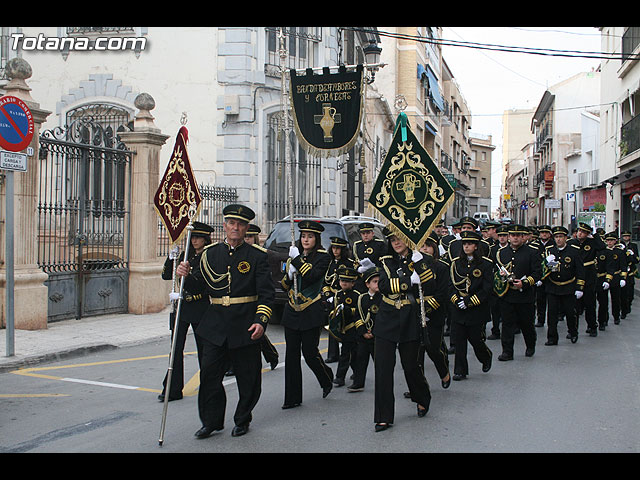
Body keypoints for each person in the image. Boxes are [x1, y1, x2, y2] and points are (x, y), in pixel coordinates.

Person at [175, 204, 274, 439]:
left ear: (246, 228)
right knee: (209, 375)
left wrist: (261, 321)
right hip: (216, 324)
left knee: (248, 378)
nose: (235, 228)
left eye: (240, 224)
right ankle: (211, 421)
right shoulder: (210, 253)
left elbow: (266, 294)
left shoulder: (257, 256)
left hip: (244, 324)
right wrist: (185, 276)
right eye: (231, 223)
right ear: (224, 226)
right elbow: (200, 286)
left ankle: (242, 418)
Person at [373, 227, 431, 432]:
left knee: (410, 365)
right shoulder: (386, 261)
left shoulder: (419, 258)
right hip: (387, 316)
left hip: (409, 317)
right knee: (383, 368)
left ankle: (422, 396)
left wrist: (420, 263)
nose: (396, 243)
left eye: (400, 239)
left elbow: (429, 280)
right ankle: (383, 416)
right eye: (393, 239)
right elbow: (384, 286)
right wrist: (408, 281)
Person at [280, 220, 334, 409]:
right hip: (292, 310)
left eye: (310, 236)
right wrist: (288, 275)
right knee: (291, 355)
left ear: (316, 238)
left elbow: (312, 277)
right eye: (303, 236)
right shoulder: (294, 255)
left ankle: (326, 378)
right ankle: (292, 398)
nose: (305, 239)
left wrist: (296, 261)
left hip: (311, 310)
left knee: (310, 352)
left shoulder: (323, 257)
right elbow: (284, 285)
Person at [158, 221, 213, 403]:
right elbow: (166, 275)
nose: (194, 240)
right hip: (182, 306)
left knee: (204, 350)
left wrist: (186, 275)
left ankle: (208, 387)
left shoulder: (209, 256)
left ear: (205, 239)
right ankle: (172, 389)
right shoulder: (185, 255)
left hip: (200, 306)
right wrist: (171, 257)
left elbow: (199, 284)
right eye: (192, 237)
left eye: (197, 237)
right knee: (175, 348)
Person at [448, 230, 493, 380]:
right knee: (459, 340)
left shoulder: (485, 264)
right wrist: (456, 300)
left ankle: (485, 356)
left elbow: (487, 288)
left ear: (476, 246)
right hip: (459, 308)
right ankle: (460, 370)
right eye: (464, 244)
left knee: (475, 339)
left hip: (476, 308)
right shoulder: (455, 264)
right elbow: (450, 285)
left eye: (470, 244)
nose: (466, 247)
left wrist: (469, 302)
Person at [495, 224, 542, 361]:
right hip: (508, 294)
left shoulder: (532, 252)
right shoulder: (502, 253)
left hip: (525, 295)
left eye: (518, 236)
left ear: (523, 237)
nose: (515, 238)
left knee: (526, 324)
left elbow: (537, 273)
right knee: (507, 325)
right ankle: (507, 352)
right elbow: (496, 273)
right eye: (512, 235)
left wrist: (525, 283)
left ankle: (530, 345)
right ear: (509, 237)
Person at [415, 231, 451, 388]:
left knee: (433, 348)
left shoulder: (441, 267)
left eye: (428, 246)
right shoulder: (413, 267)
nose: (425, 249)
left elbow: (442, 293)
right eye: (421, 246)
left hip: (434, 312)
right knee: (416, 353)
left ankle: (443, 371)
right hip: (415, 311)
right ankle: (418, 386)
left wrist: (427, 309)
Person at [243, 223, 279, 371]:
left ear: (256, 238)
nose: (247, 240)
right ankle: (271, 354)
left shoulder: (263, 254)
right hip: (242, 297)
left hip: (257, 298)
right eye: (245, 236)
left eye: (250, 237)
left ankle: (271, 354)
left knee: (254, 329)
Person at [542, 226, 585, 345]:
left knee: (570, 313)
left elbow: (580, 271)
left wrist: (579, 288)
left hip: (568, 286)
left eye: (561, 237)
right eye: (556, 237)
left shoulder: (573, 251)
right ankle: (552, 338)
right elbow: (543, 269)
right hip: (553, 286)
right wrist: (546, 263)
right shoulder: (550, 251)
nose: (558, 239)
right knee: (552, 314)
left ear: (566, 238)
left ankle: (573, 332)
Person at [568, 222, 607, 337]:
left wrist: (595, 235)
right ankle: (572, 330)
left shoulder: (592, 242)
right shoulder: (571, 243)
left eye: (584, 232)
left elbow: (602, 247)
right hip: (575, 276)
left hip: (588, 275)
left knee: (590, 303)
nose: (580, 234)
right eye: (580, 231)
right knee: (574, 306)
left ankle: (592, 326)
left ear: (588, 234)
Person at [322, 236, 356, 363]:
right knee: (333, 325)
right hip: (332, 297)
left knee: (347, 326)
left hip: (346, 297)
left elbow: (353, 282)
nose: (336, 251)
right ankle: (332, 354)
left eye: (338, 248)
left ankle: (348, 354)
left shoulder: (349, 263)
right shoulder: (329, 262)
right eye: (334, 248)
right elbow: (324, 282)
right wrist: (327, 295)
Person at [327, 266, 361, 388]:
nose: (344, 283)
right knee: (348, 354)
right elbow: (334, 310)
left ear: (353, 283)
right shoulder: (338, 294)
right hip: (343, 328)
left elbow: (357, 311)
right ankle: (350, 375)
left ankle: (345, 376)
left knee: (350, 354)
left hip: (353, 328)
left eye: (347, 281)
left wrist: (345, 310)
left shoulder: (356, 295)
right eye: (342, 281)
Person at [351, 267, 381, 392]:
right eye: (374, 281)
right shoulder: (361, 298)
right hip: (363, 336)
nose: (377, 284)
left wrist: (374, 332)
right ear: (367, 284)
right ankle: (358, 383)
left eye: (379, 281)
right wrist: (363, 331)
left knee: (379, 362)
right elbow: (358, 316)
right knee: (360, 359)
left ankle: (381, 384)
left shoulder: (382, 298)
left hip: (377, 336)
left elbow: (383, 318)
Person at [487, 225, 509, 340]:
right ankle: (495, 330)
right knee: (494, 308)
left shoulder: (511, 249)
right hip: (495, 281)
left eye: (504, 236)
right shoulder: (493, 249)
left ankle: (510, 329)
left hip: (508, 281)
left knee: (507, 309)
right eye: (500, 236)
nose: (502, 238)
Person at [599, 232, 624, 328]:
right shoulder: (602, 251)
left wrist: (623, 278)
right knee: (603, 301)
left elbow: (623, 265)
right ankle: (603, 319)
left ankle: (616, 316)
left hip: (616, 277)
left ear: (615, 241)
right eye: (608, 240)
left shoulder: (619, 252)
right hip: (604, 277)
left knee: (615, 299)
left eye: (611, 240)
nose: (609, 242)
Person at [534, 226, 555, 327]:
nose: (544, 234)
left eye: (546, 233)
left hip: (551, 277)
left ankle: (553, 319)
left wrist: (552, 270)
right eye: (542, 233)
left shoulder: (553, 245)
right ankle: (540, 319)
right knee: (540, 299)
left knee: (552, 301)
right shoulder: (535, 245)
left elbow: (556, 262)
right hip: (539, 276)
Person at [620, 230, 639, 318]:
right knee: (622, 292)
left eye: (627, 236)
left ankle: (628, 304)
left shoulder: (633, 246)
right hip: (621, 271)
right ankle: (623, 309)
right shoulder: (619, 245)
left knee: (630, 292)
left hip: (630, 271)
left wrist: (632, 255)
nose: (626, 238)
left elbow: (637, 259)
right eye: (624, 236)